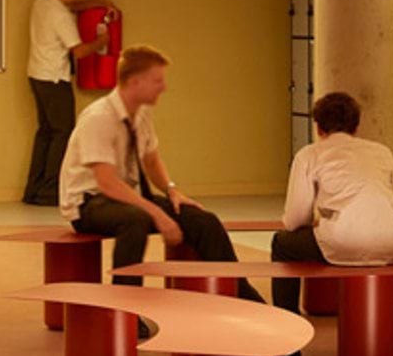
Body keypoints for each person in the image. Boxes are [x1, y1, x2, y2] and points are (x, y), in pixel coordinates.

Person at [61, 44, 265, 300]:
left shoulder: (142, 113)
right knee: (135, 220)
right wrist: (156, 212)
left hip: (128, 198)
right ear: (135, 82)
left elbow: (151, 158)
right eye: (157, 80)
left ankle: (241, 293)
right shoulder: (99, 117)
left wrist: (171, 191)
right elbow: (107, 182)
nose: (164, 87)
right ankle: (125, 307)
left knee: (203, 220)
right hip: (88, 202)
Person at [271, 91, 393, 320]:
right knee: (328, 237)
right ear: (356, 126)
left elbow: (295, 220)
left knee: (282, 243)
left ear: (318, 128)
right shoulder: (382, 152)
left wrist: (319, 219)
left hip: (346, 241)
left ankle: (287, 326)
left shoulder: (310, 154)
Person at [23, 0, 115, 207]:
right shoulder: (60, 16)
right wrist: (102, 42)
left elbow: (73, 6)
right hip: (55, 79)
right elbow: (79, 51)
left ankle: (33, 190)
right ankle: (50, 191)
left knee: (45, 132)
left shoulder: (41, 2)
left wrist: (100, 2)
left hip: (36, 75)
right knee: (63, 132)